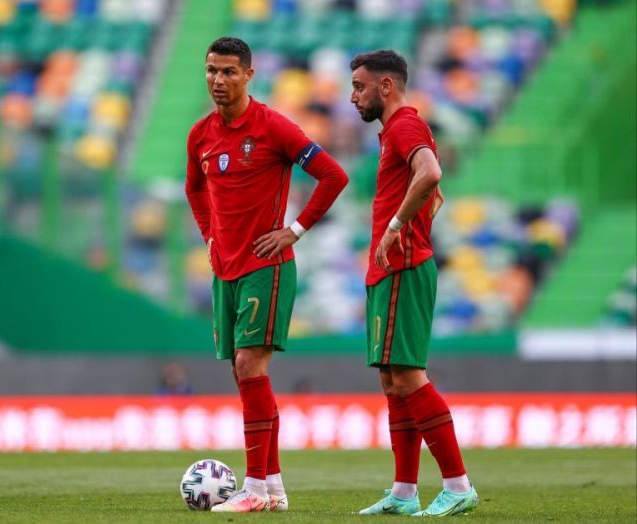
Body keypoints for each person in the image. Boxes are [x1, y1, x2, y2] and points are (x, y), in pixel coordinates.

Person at [185, 36, 348, 513]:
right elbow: (194, 189)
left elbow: (333, 175)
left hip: (266, 265)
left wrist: (294, 230)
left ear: (249, 75)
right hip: (226, 267)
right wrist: (209, 236)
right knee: (245, 375)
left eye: (229, 71)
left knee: (249, 367)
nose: (219, 80)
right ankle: (272, 487)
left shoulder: (274, 127)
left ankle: (254, 489)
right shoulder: (200, 135)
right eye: (213, 70)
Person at [349, 50, 479, 517]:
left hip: (404, 264)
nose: (353, 96)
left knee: (407, 375)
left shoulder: (404, 124)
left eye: (360, 86)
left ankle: (458, 484)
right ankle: (404, 492)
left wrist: (396, 225)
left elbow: (431, 174)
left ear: (386, 86)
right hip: (390, 267)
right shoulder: (396, 132)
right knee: (391, 379)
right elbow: (429, 184)